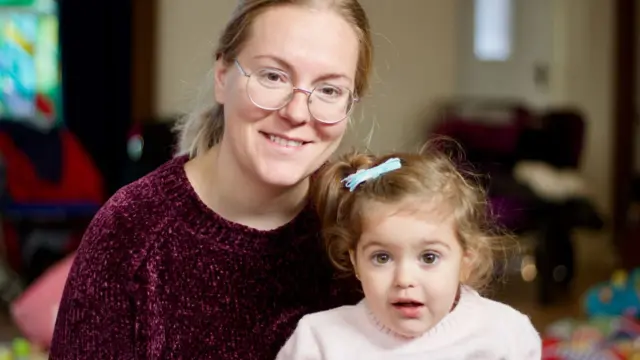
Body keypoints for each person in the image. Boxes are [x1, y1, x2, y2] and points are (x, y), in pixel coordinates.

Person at [49, 0, 373, 358]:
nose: (296, 112)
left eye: (329, 90)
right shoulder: (129, 230)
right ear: (222, 76)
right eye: (273, 76)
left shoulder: (366, 230)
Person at [276, 148, 542, 359]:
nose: (404, 279)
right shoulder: (320, 340)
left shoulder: (505, 333)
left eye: (429, 257)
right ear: (355, 261)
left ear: (465, 262)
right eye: (382, 257)